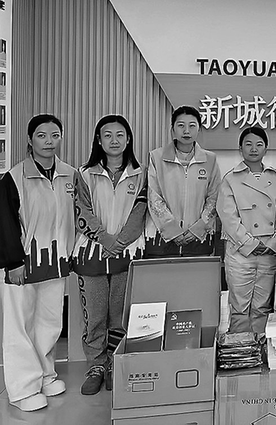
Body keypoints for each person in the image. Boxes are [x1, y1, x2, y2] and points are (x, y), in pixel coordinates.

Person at [0, 115, 76, 412]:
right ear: (30, 140)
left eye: (55, 135)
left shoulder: (70, 175)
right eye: (42, 135)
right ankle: (22, 388)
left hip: (55, 263)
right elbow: (5, 224)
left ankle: (45, 376)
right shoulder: (13, 178)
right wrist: (13, 262)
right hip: (22, 265)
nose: (49, 141)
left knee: (49, 324)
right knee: (19, 326)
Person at [73, 115, 147, 395]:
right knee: (95, 316)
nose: (114, 140)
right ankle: (96, 366)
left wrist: (120, 242)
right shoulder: (84, 173)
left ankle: (116, 363)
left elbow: (140, 211)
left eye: (120, 135)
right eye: (108, 135)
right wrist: (105, 239)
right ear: (99, 140)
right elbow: (81, 211)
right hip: (92, 253)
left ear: (128, 140)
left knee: (120, 315)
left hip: (127, 254)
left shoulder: (140, 174)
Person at [218, 126, 276, 336]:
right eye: (248, 144)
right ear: (240, 148)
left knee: (262, 307)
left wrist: (273, 243)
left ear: (266, 148)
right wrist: (250, 244)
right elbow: (228, 217)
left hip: (268, 251)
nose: (254, 149)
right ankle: (240, 350)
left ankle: (260, 349)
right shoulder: (230, 179)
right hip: (241, 252)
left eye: (259, 144)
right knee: (239, 308)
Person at [145, 105, 221, 257]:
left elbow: (214, 197)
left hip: (199, 239)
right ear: (172, 129)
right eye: (181, 125)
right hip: (161, 239)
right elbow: (154, 197)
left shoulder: (210, 160)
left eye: (192, 126)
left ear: (199, 129)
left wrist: (198, 229)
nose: (186, 131)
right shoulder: (156, 157)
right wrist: (172, 230)